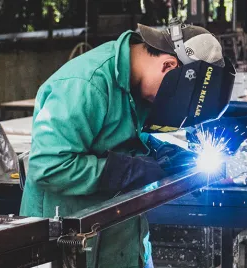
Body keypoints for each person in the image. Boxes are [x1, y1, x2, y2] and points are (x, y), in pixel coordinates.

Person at [19, 21, 228, 268]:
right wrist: (125, 170)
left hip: (123, 238)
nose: (165, 104)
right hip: (66, 243)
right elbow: (48, 166)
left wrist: (160, 149)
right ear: (169, 65)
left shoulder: (136, 84)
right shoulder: (86, 84)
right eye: (174, 96)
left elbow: (122, 133)